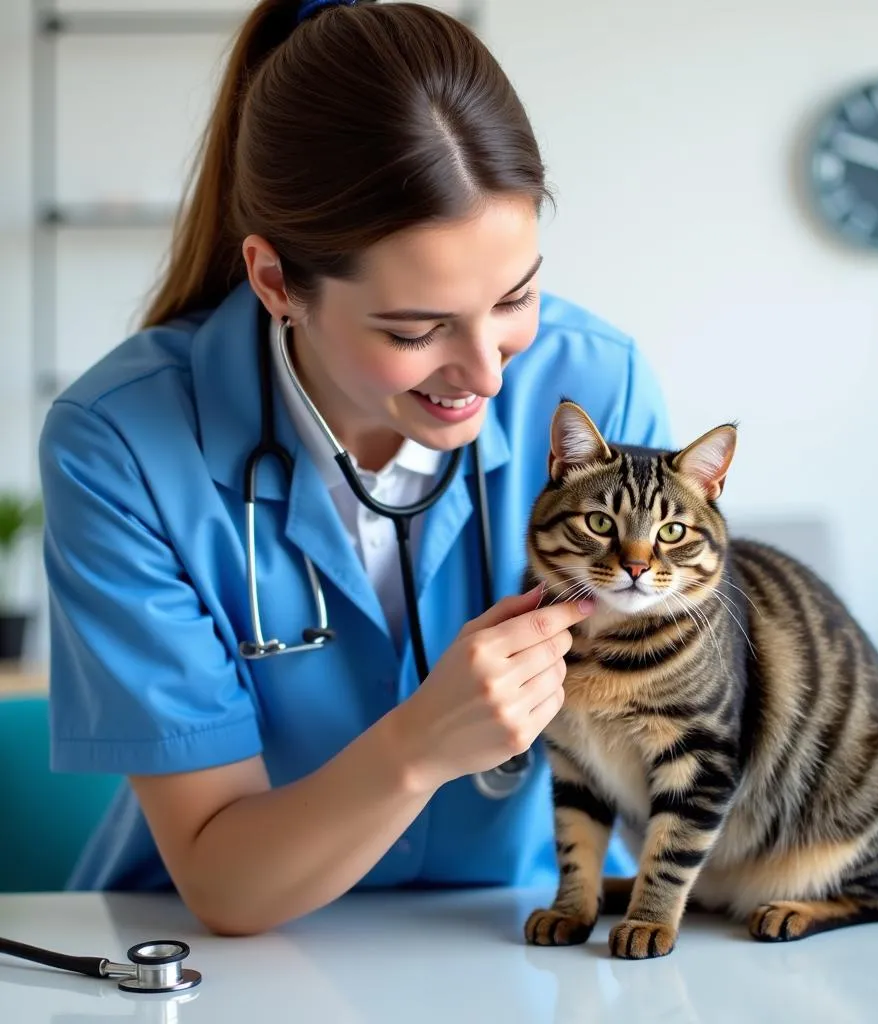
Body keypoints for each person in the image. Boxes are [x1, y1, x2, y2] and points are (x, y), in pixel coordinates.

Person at [38, 0, 674, 937]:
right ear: (274, 283)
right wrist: (422, 744)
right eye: (415, 330)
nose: (489, 373)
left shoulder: (596, 384)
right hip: (232, 967)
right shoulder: (121, 445)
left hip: (534, 937)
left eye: (516, 297)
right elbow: (226, 883)